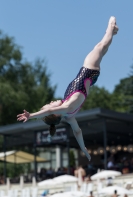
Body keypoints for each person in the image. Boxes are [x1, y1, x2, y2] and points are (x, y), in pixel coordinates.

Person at [17, 16, 119, 161]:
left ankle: (112, 32)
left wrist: (83, 148)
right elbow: (50, 111)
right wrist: (31, 115)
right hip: (88, 71)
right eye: (50, 103)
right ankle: (111, 27)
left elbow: (77, 132)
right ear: (56, 114)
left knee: (102, 49)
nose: (51, 102)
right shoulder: (66, 108)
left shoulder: (69, 116)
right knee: (100, 47)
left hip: (91, 77)